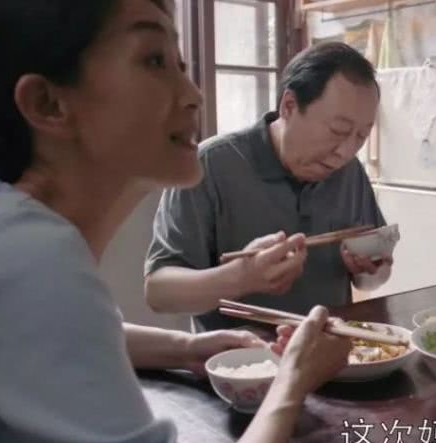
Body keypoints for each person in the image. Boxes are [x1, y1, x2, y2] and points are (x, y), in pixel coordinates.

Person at [0, 0, 350, 443]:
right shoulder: (27, 261)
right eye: (154, 61)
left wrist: (186, 348)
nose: (193, 94)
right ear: (48, 103)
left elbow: (52, 341)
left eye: (181, 64)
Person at [144, 41, 392, 332]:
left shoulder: (350, 172)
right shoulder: (209, 165)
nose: (346, 152)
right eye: (338, 131)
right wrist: (241, 277)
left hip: (329, 348)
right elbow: (158, 292)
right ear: (289, 106)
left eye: (361, 136)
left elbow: (370, 278)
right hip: (241, 356)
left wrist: (371, 270)